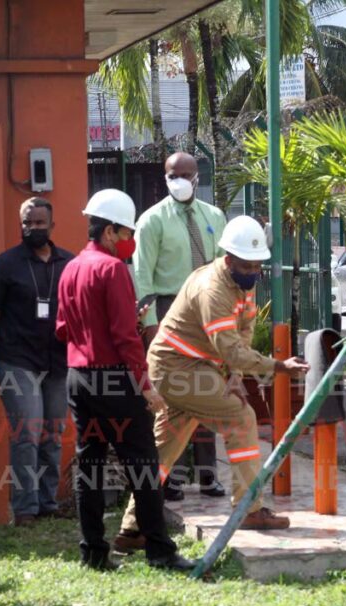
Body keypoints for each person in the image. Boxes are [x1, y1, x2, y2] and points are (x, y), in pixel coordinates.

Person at [114, 216, 309, 553]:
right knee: (241, 419)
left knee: (164, 451)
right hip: (179, 368)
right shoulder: (213, 288)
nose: (253, 273)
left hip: (191, 368)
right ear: (228, 259)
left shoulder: (241, 284)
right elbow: (229, 348)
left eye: (257, 266)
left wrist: (234, 375)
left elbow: (243, 331)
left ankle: (131, 530)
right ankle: (249, 508)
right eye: (247, 266)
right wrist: (278, 366)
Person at [56, 189, 194, 572]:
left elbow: (63, 329)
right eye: (125, 232)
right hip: (115, 378)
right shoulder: (113, 270)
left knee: (90, 466)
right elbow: (124, 337)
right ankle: (160, 551)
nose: (129, 239)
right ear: (110, 231)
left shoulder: (70, 268)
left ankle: (93, 552)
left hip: (78, 377)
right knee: (143, 466)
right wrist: (145, 385)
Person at [133, 152, 227, 499]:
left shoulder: (214, 216)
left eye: (186, 175)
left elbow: (222, 269)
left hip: (205, 310)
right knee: (170, 398)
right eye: (174, 175)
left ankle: (208, 475)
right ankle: (169, 477)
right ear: (165, 176)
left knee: (208, 391)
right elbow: (142, 277)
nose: (180, 181)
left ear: (197, 177)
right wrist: (151, 326)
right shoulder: (152, 221)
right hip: (168, 309)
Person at [0, 197, 72, 526]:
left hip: (58, 363)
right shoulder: (5, 264)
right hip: (16, 361)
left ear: (52, 225)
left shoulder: (68, 264)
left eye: (39, 223)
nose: (33, 228)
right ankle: (25, 508)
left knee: (53, 434)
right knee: (27, 433)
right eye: (27, 223)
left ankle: (47, 502)